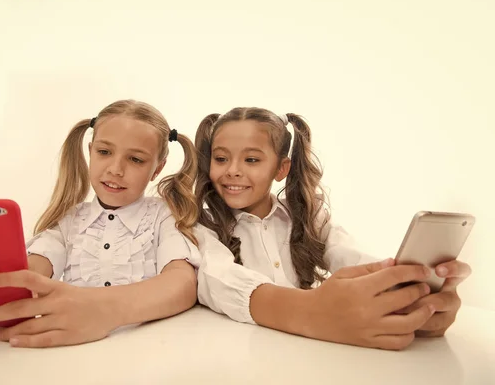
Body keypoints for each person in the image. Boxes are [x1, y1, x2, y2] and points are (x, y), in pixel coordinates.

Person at [0, 99, 201, 347]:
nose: (116, 169)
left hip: (150, 352)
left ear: (157, 168)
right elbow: (34, 271)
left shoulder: (163, 216)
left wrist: (104, 310)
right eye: (105, 152)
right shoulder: (69, 221)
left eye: (135, 159)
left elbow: (182, 283)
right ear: (90, 151)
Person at [194, 107, 471, 350]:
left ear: (281, 169)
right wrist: (311, 311)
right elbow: (216, 277)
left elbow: (346, 252)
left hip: (312, 351)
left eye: (251, 160)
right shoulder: (203, 225)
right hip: (244, 352)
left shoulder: (307, 217)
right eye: (221, 159)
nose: (232, 170)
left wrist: (403, 285)